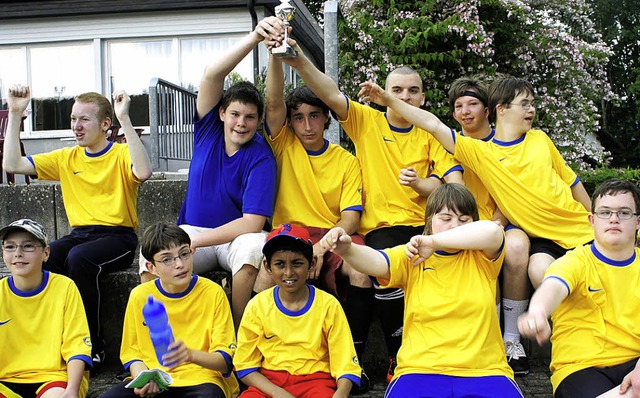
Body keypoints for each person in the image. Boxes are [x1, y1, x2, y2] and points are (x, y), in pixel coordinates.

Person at [273, 32, 463, 381]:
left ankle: (452, 359)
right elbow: (329, 92)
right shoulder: (367, 122)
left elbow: (451, 184)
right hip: (381, 229)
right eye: (397, 90)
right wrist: (297, 59)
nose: (404, 97)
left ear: (423, 97)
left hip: (425, 226)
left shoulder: (432, 132)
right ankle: (392, 360)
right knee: (385, 271)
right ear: (386, 95)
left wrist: (427, 188)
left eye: (412, 91)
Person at [137, 17, 279, 330]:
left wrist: (199, 242)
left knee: (256, 248)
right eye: (235, 114)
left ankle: (239, 335)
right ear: (221, 114)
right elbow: (212, 74)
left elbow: (253, 222)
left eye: (250, 117)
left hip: (235, 239)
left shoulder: (261, 157)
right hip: (192, 230)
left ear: (257, 121)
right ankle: (157, 337)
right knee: (152, 256)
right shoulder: (207, 132)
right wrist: (256, 36)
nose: (241, 122)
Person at [318, 184, 523, 397]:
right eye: (446, 219)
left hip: (485, 371)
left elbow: (492, 231)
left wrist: (433, 241)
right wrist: (347, 249)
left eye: (464, 220)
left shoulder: (483, 257)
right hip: (419, 370)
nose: (455, 225)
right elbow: (377, 262)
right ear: (429, 221)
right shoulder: (413, 256)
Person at [3, 86, 153, 366]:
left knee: (79, 259)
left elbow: (144, 172)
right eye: (73, 119)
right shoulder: (66, 158)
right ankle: (47, 340)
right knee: (44, 256)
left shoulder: (120, 154)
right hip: (80, 235)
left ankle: (92, 348)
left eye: (84, 119)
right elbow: (12, 163)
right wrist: (14, 113)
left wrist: (125, 118)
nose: (76, 126)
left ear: (105, 124)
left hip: (118, 237)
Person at [261, 53, 374, 383]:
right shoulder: (283, 144)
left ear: (327, 118)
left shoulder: (346, 160)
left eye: (314, 116)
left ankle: (353, 360)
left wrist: (322, 247)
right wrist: (275, 54)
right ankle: (262, 357)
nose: (306, 126)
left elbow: (351, 216)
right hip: (289, 232)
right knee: (266, 274)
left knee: (361, 268)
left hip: (335, 233)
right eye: (298, 118)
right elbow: (273, 100)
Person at [518, 179, 640, 398]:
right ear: (592, 221)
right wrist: (538, 312)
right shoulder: (574, 262)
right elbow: (552, 287)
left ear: (638, 222)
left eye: (624, 212)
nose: (613, 219)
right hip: (580, 368)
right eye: (605, 213)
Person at [448, 76, 532, 374]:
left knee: (518, 246)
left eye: (473, 104)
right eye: (459, 106)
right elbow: (451, 192)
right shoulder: (451, 145)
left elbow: (518, 189)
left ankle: (511, 339)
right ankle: (488, 340)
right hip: (465, 225)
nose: (466, 111)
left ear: (488, 109)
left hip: (505, 219)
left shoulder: (506, 140)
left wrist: (499, 220)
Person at [99, 223, 239, 398]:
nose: (179, 264)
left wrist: (189, 354)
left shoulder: (213, 293)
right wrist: (143, 378)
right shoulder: (140, 296)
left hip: (202, 379)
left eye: (184, 254)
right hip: (156, 378)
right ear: (151, 268)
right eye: (167, 259)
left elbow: (225, 361)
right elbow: (131, 354)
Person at [234, 223, 361, 398]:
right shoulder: (258, 306)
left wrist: (340, 395)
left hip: (316, 382)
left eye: (297, 263)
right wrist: (278, 393)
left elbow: (346, 365)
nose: (288, 272)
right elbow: (245, 366)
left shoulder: (328, 305)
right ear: (267, 266)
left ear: (312, 263)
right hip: (269, 383)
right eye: (279, 264)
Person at [0, 219, 92, 398]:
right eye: (10, 247)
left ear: (46, 253)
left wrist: (72, 390)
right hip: (6, 380)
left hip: (55, 377)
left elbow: (77, 346)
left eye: (28, 246)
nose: (18, 253)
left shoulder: (65, 287)